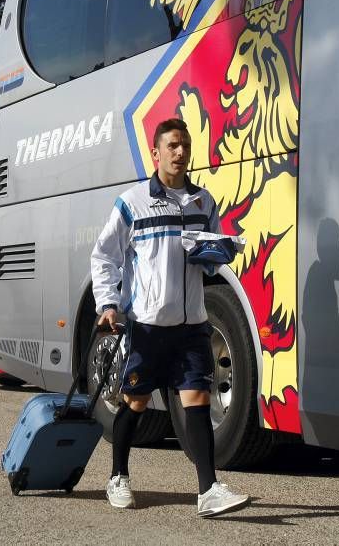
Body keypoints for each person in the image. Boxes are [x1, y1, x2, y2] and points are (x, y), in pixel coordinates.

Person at [90, 118, 249, 517]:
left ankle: (208, 490)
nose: (180, 153)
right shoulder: (132, 202)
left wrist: (217, 255)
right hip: (147, 326)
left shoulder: (204, 202)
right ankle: (118, 477)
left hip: (193, 324)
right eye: (173, 146)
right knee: (135, 402)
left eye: (185, 146)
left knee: (196, 400)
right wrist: (108, 303)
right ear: (156, 153)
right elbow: (105, 256)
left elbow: (209, 264)